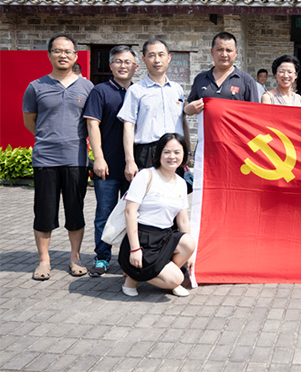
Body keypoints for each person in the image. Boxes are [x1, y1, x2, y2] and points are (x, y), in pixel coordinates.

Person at [22, 35, 94, 280]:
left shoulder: (87, 87)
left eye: (68, 51)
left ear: (75, 56)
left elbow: (92, 123)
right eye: (57, 51)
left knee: (75, 211)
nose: (63, 55)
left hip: (76, 159)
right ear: (49, 54)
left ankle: (75, 257)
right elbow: (29, 121)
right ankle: (44, 260)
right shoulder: (35, 87)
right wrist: (49, 138)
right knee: (44, 212)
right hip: (45, 159)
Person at [83, 45, 139, 277]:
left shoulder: (139, 92)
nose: (123, 66)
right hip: (106, 166)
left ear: (136, 67)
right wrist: (98, 158)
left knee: (132, 214)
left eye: (127, 62)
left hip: (133, 167)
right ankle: (102, 257)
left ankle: (127, 258)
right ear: (110, 65)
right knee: (104, 214)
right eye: (118, 61)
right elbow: (92, 124)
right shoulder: (100, 91)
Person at [119, 133, 195, 297]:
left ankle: (163, 276)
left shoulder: (181, 183)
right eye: (167, 152)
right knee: (177, 278)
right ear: (159, 154)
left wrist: (190, 255)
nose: (172, 157)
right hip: (142, 237)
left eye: (177, 152)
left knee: (189, 243)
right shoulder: (146, 175)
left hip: (165, 237)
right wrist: (135, 249)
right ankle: (133, 278)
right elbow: (130, 212)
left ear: (184, 155)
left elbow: (182, 219)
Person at [118, 37, 187, 181]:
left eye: (161, 55)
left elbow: (183, 121)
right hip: (147, 153)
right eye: (151, 55)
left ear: (169, 58)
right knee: (148, 193)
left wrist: (188, 152)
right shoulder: (136, 90)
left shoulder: (177, 89)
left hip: (175, 152)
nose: (157, 60)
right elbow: (128, 126)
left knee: (173, 193)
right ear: (144, 59)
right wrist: (130, 161)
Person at [184, 32, 259, 117]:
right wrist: (187, 109)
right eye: (220, 50)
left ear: (236, 53)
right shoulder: (200, 78)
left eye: (229, 50)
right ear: (212, 52)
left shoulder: (246, 80)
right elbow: (189, 103)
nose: (224, 54)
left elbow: (254, 114)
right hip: (206, 126)